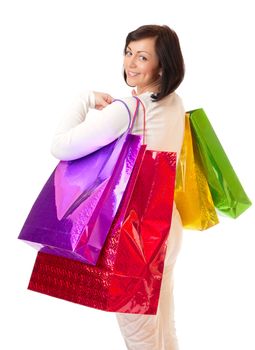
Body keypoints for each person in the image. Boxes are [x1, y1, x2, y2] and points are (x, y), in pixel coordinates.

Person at [51, 24, 185, 350]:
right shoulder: (175, 103)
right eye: (129, 53)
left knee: (141, 337)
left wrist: (84, 99)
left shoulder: (129, 109)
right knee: (163, 329)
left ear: (162, 65)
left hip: (136, 236)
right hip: (167, 225)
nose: (131, 64)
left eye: (143, 57)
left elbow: (61, 146)